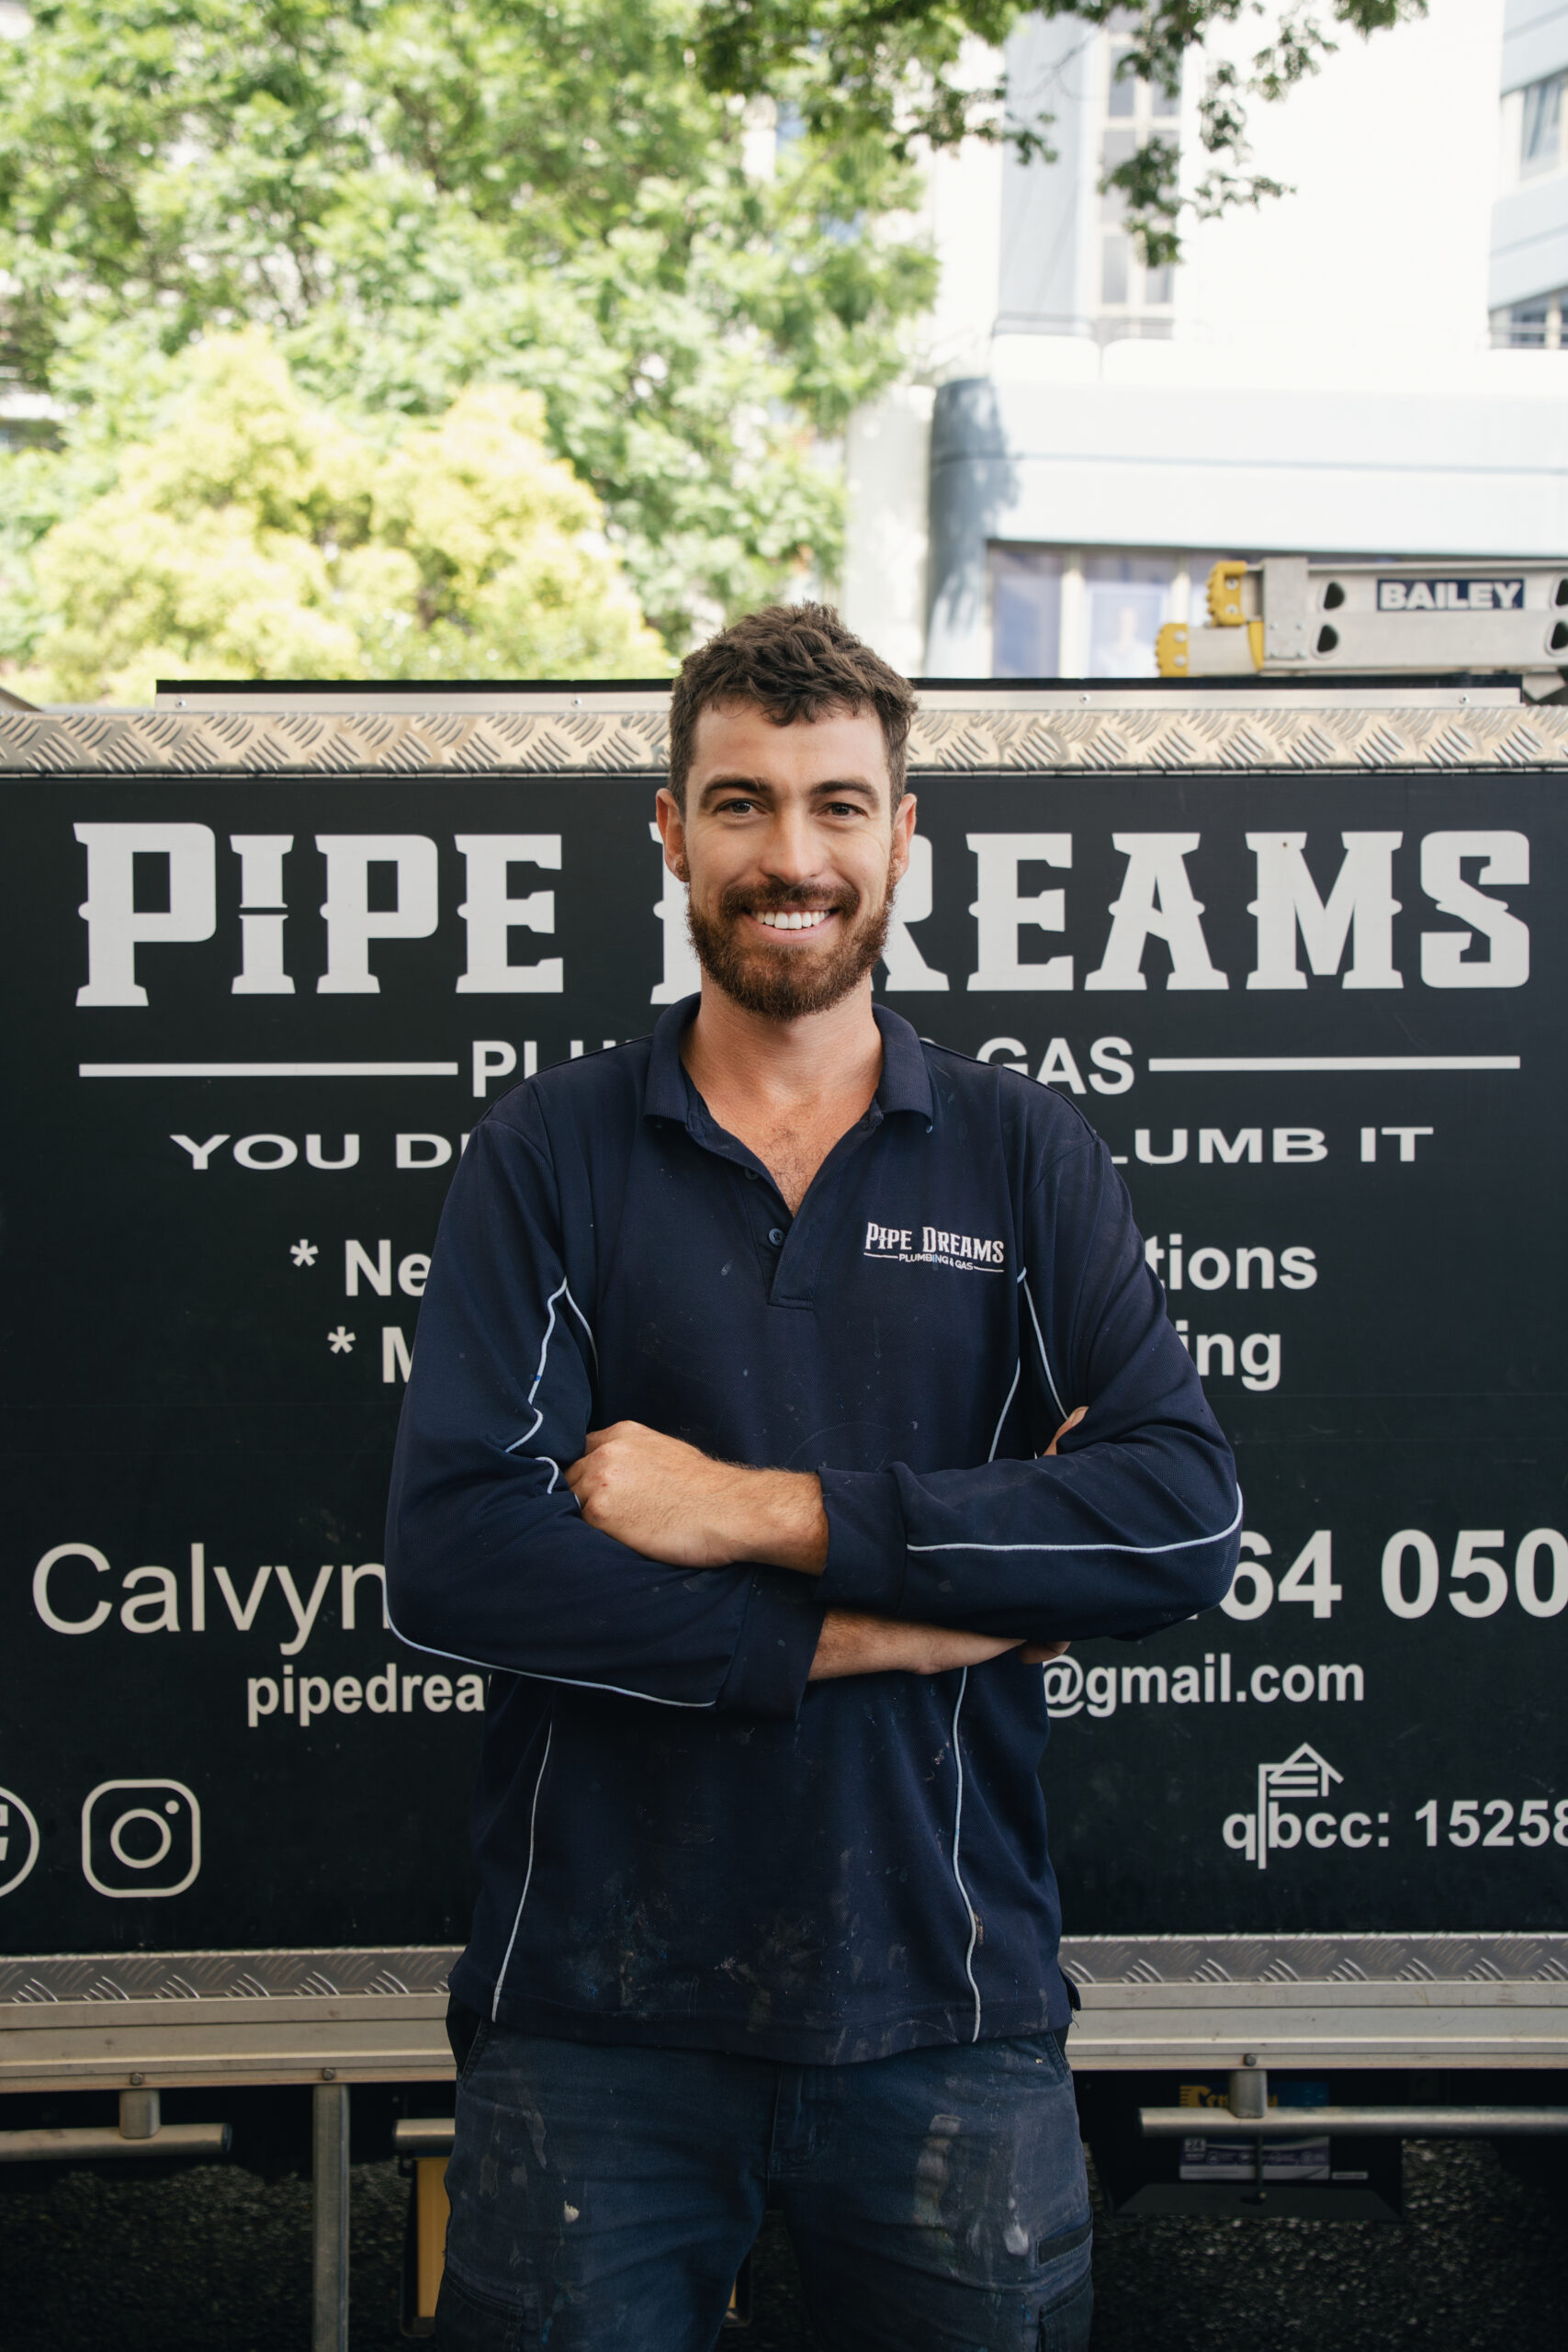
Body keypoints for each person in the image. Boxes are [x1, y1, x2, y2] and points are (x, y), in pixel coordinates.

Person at [386, 604, 1241, 2352]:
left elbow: (1178, 1513)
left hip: (948, 2004)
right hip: (594, 2020)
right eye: (744, 803)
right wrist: (906, 1626)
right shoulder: (549, 1155)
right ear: (670, 829)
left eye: (840, 806)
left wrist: (742, 1510)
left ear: (905, 833)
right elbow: (458, 1561)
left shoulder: (1022, 1150)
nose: (794, 857)